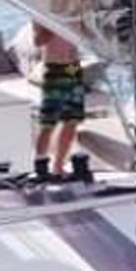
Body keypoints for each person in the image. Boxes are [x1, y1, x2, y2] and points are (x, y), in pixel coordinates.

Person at [30, 21, 87, 179]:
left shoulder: (72, 13)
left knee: (72, 120)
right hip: (54, 67)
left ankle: (59, 165)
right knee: (49, 120)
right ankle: (41, 165)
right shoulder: (42, 14)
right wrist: (54, 25)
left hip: (73, 67)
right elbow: (38, 41)